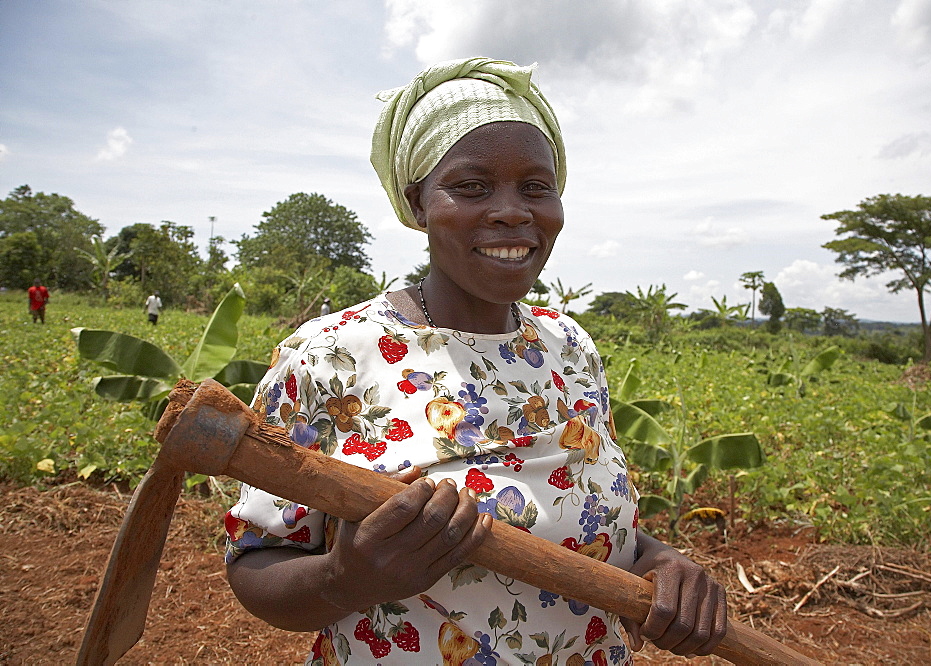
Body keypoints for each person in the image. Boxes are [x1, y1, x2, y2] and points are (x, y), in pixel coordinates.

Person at [225, 58, 727, 665]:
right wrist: (347, 579)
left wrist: (659, 560)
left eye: (536, 187)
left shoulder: (571, 348)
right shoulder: (332, 355)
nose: (513, 210)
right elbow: (256, 559)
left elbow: (580, 516)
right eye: (471, 186)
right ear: (417, 204)